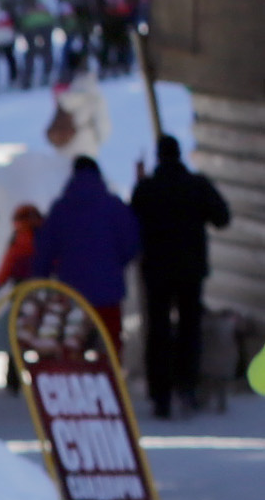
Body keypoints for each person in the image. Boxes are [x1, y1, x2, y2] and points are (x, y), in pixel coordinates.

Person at [131, 120, 232, 421]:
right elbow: (222, 218)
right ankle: (187, 389)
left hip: (157, 271)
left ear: (158, 157)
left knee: (158, 332)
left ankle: (161, 396)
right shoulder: (197, 184)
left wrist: (140, 182)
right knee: (190, 329)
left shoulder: (147, 188)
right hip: (190, 271)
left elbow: (131, 221)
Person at [18, 85, 137, 331]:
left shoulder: (61, 209)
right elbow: (132, 243)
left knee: (75, 350)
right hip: (109, 293)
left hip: (71, 294)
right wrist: (114, 266)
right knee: (109, 348)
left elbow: (45, 249)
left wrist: (39, 281)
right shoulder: (113, 205)